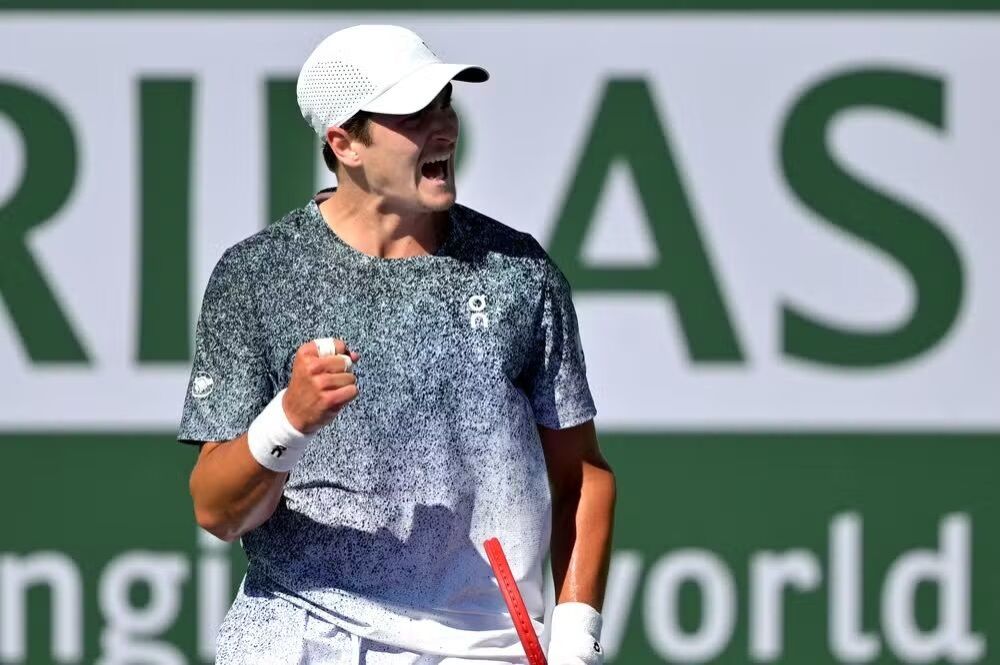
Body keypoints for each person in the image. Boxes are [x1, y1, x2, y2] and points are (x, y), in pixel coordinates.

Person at [178, 24, 616, 664]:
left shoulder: (520, 274)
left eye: (445, 105)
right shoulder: (255, 276)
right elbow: (216, 510)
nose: (444, 129)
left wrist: (576, 645)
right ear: (344, 144)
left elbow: (581, 476)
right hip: (294, 635)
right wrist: (287, 420)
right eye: (414, 114)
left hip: (478, 645)